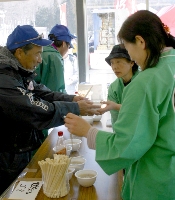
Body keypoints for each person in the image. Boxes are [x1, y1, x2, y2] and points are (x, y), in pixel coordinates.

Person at [64, 10, 175, 200]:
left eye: (127, 49)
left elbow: (129, 143)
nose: (133, 58)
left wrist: (88, 132)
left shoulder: (146, 81)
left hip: (156, 175)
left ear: (140, 41)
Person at [0, 25, 100, 195]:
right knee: (13, 195)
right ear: (19, 53)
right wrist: (75, 108)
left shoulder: (20, 72)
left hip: (22, 150)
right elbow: (32, 108)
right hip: (7, 157)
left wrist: (73, 99)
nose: (40, 60)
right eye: (37, 54)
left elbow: (42, 92)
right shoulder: (4, 79)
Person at [98, 44, 139, 129]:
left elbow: (143, 111)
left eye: (118, 62)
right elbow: (116, 119)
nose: (114, 67)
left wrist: (116, 106)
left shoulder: (143, 81)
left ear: (131, 62)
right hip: (123, 133)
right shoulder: (113, 88)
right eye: (112, 63)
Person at [34, 24, 76, 93]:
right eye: (68, 46)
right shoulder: (55, 57)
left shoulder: (41, 51)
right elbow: (57, 91)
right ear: (63, 43)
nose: (67, 50)